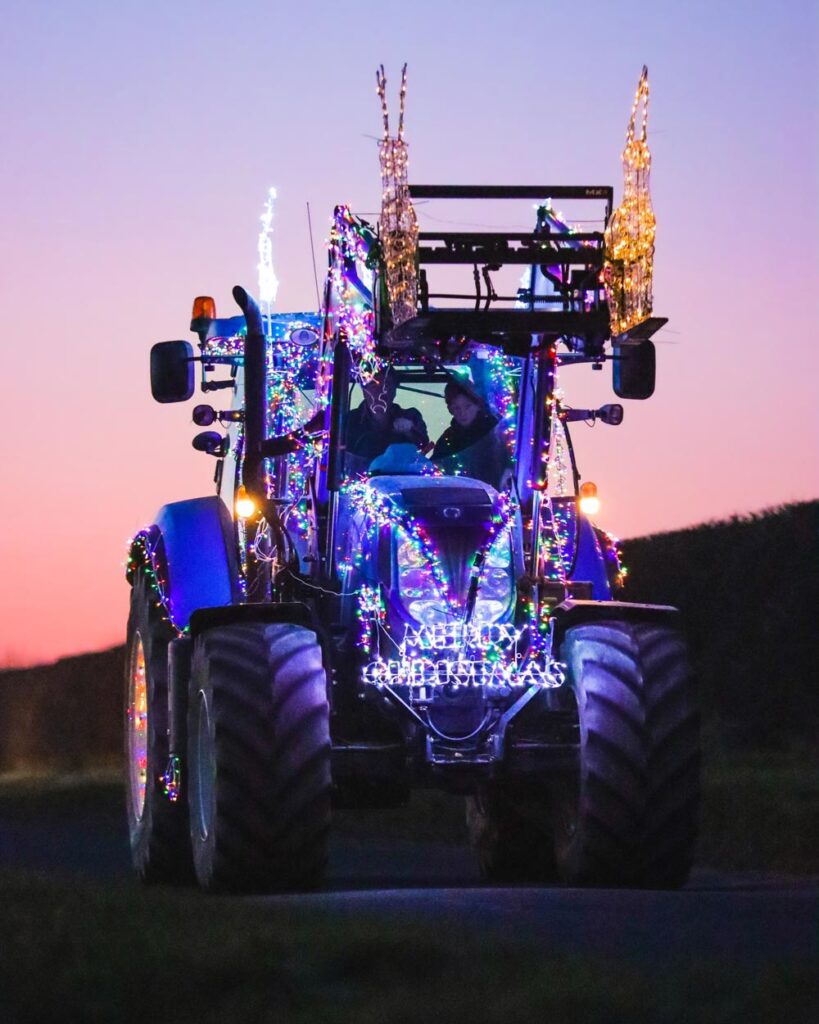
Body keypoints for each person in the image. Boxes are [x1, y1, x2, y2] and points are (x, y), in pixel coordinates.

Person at [346, 366, 429, 461]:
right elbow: (339, 457)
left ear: (395, 390)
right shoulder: (349, 422)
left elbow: (423, 447)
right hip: (358, 475)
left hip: (400, 475)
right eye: (374, 385)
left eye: (387, 385)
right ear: (364, 390)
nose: (381, 392)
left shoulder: (411, 417)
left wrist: (410, 432)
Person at [432, 381, 498, 459]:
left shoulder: (495, 431)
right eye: (456, 408)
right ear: (450, 410)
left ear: (478, 406)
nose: (462, 413)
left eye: (468, 406)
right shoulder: (447, 440)